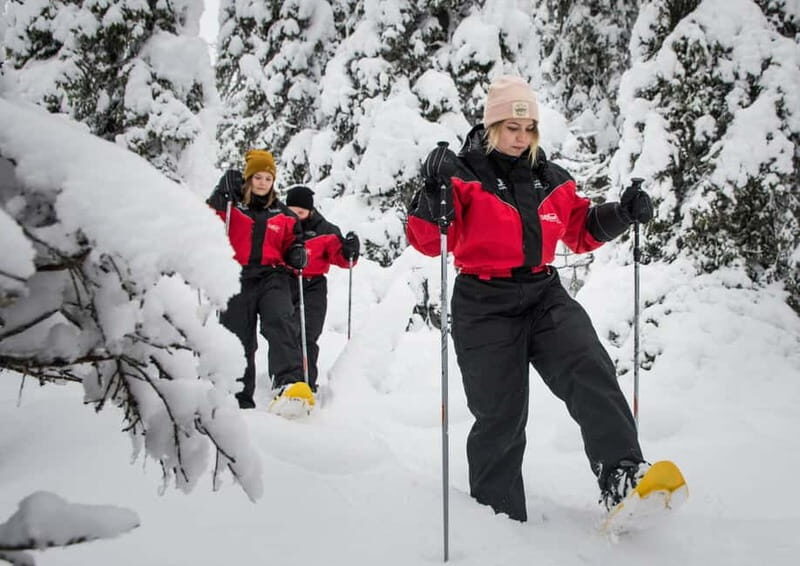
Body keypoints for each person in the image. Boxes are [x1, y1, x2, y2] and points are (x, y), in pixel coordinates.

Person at [405, 75, 656, 521]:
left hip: (543, 294)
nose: (521, 138)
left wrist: (623, 212)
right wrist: (431, 190)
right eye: (511, 128)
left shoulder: (550, 178)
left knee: (590, 368)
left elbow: (579, 231)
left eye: (528, 129)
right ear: (491, 127)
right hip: (483, 303)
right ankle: (498, 521)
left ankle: (624, 479)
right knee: (500, 415)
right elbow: (428, 242)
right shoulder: (462, 176)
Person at [207, 149, 314, 414]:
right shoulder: (232, 206)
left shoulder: (284, 214)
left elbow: (294, 242)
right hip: (237, 275)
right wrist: (221, 194)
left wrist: (296, 253)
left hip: (272, 276)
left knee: (280, 321)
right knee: (238, 334)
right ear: (249, 178)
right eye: (258, 177)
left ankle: (289, 384)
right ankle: (238, 392)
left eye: (268, 178)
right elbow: (208, 219)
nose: (263, 183)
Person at [284, 185, 360, 392]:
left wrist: (350, 251)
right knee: (285, 333)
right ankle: (284, 380)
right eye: (292, 212)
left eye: (300, 213)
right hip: (284, 281)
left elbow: (343, 260)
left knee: (307, 333)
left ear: (310, 211)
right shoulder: (281, 224)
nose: (296, 217)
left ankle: (306, 382)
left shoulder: (324, 229)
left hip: (312, 285)